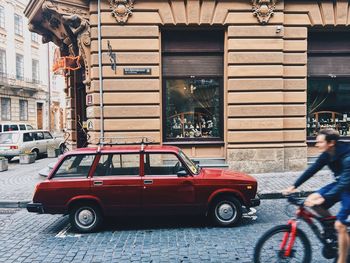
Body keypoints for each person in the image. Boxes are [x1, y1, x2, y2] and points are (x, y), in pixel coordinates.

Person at [283, 129, 350, 263]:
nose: (316, 144)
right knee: (312, 199)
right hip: (340, 184)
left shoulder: (347, 157)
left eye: (320, 142)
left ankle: (342, 259)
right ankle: (331, 230)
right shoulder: (326, 154)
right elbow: (312, 170)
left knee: (340, 225)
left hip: (347, 186)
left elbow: (344, 183)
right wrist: (294, 186)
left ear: (331, 143)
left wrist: (325, 197)